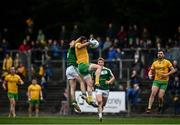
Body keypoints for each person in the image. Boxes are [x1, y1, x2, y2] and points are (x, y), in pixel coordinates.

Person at [75, 36, 102, 107]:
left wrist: (91, 43)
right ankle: (97, 81)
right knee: (99, 67)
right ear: (81, 40)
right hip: (82, 65)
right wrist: (89, 42)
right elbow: (80, 46)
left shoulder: (85, 46)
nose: (85, 42)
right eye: (84, 41)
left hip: (83, 67)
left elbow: (88, 45)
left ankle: (90, 100)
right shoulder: (77, 44)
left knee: (90, 84)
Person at [146, 49, 176, 113]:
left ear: (163, 55)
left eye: (161, 53)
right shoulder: (155, 63)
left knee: (160, 96)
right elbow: (150, 71)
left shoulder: (167, 62)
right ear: (157, 55)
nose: (160, 54)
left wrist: (166, 74)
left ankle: (160, 105)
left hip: (164, 82)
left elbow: (173, 70)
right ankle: (149, 108)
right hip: (156, 81)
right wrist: (149, 75)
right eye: (159, 53)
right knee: (153, 93)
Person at [66, 40, 86, 112]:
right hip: (72, 67)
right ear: (70, 44)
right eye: (72, 42)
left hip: (68, 69)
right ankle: (84, 94)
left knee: (72, 87)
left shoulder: (70, 50)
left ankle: (74, 101)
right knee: (82, 81)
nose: (74, 42)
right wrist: (81, 39)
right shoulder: (71, 48)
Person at [93, 57, 115, 122]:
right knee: (99, 102)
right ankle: (100, 116)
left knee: (103, 104)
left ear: (103, 63)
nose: (100, 63)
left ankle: (100, 111)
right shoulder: (94, 71)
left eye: (101, 62)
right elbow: (92, 80)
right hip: (98, 88)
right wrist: (91, 86)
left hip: (106, 89)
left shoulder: (107, 70)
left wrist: (109, 81)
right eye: (99, 62)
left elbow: (113, 77)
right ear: (97, 63)